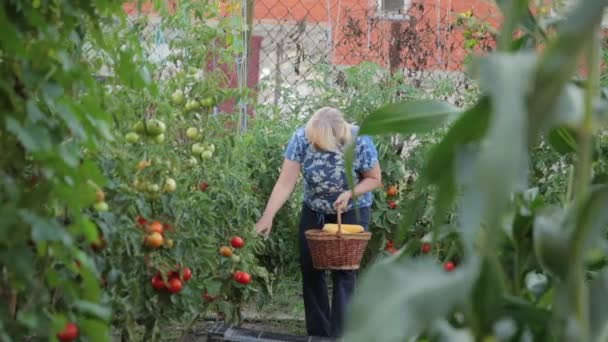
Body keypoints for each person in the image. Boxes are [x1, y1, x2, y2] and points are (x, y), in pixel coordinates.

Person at [254, 107, 382, 338]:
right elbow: (285, 183)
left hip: (352, 208)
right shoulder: (301, 138)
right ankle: (318, 334)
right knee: (311, 269)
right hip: (315, 208)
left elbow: (374, 178)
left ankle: (341, 335)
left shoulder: (360, 141)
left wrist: (350, 193)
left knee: (344, 273)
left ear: (336, 137)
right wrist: (268, 215)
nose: (312, 144)